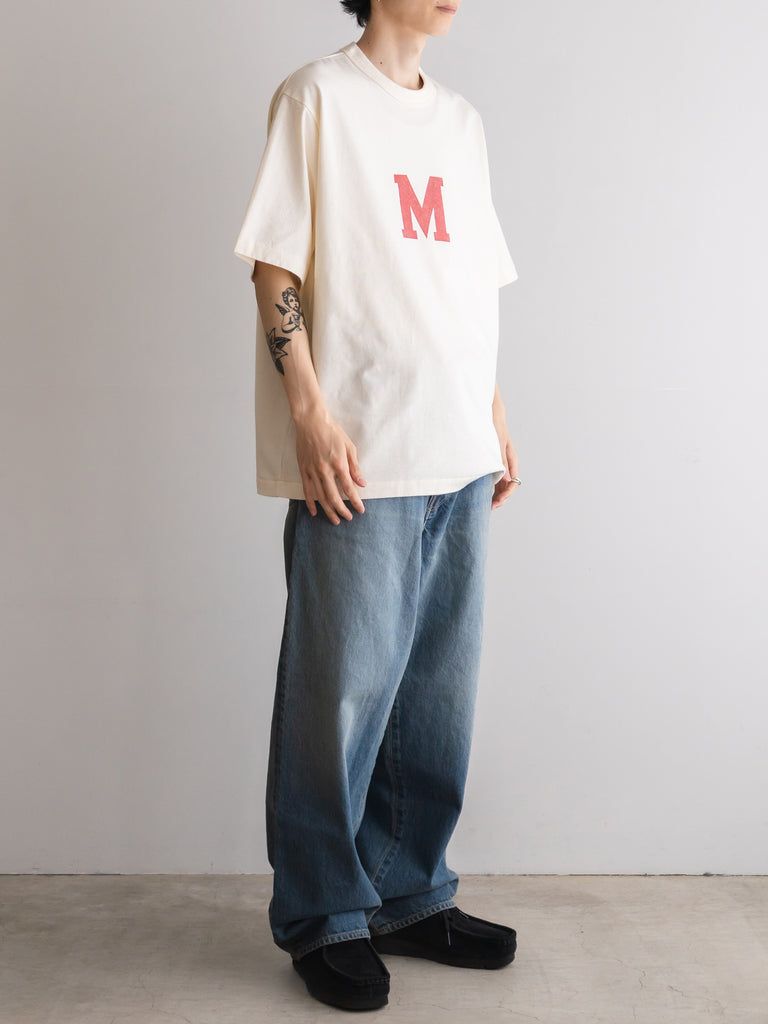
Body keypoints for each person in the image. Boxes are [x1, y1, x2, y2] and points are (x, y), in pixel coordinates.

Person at [234, 0, 522, 1011]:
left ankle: (408, 892)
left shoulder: (463, 123)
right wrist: (309, 413)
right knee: (339, 699)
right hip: (358, 455)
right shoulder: (316, 98)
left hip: (457, 450)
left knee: (436, 697)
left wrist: (493, 415)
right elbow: (276, 263)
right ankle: (323, 914)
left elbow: (468, 284)